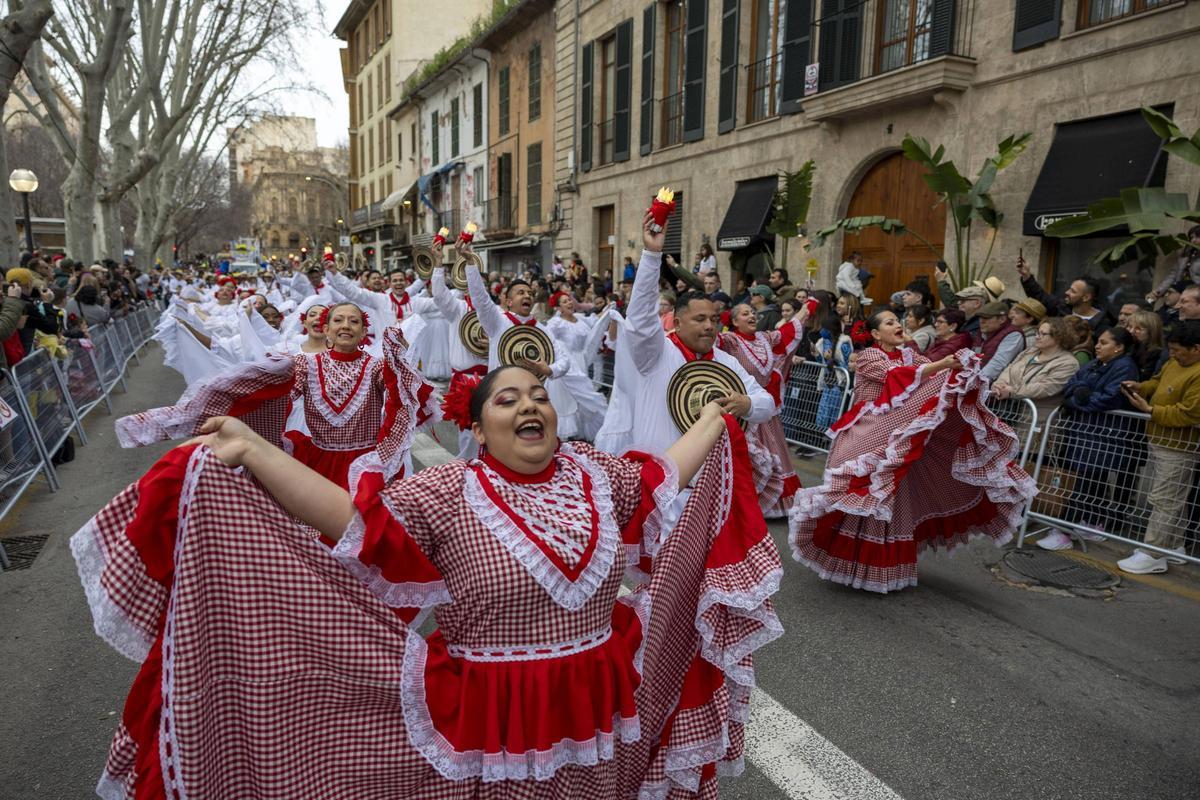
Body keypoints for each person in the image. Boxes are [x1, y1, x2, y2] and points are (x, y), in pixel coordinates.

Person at [72, 364, 782, 798]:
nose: (530, 406)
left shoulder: (600, 475)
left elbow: (668, 473)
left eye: (539, 395)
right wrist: (253, 449)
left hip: (595, 697)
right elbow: (355, 520)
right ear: (478, 427)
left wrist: (718, 414)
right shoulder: (447, 493)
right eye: (508, 401)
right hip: (491, 715)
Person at [789, 310, 1035, 593]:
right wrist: (942, 363)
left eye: (898, 321)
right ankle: (850, 561)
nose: (898, 325)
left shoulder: (910, 355)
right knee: (864, 493)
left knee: (893, 496)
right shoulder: (870, 356)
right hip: (866, 432)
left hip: (896, 435)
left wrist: (959, 373)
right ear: (875, 334)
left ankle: (876, 568)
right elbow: (898, 377)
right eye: (890, 322)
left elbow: (934, 376)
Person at [117, 302, 437, 490]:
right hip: (317, 464)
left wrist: (396, 356)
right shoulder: (302, 364)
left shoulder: (378, 367)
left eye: (354, 321)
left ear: (362, 331)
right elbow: (259, 391)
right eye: (338, 320)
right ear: (325, 329)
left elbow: (402, 397)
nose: (346, 326)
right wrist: (184, 416)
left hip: (364, 467)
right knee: (317, 542)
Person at [594, 211, 776, 458]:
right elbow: (640, 320)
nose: (710, 326)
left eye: (713, 319)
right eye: (700, 319)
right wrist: (651, 255)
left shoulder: (725, 362)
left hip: (707, 482)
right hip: (658, 479)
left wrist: (748, 404)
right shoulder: (656, 354)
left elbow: (767, 403)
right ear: (677, 323)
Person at [1038, 327, 1140, 551]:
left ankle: (1066, 531)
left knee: (1086, 483)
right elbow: (1071, 385)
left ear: (1119, 347)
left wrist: (1080, 398)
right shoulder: (1095, 364)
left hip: (1103, 436)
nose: (1097, 345)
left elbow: (1108, 400)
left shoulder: (1125, 368)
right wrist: (1080, 393)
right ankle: (1088, 523)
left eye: (1104, 342)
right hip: (1084, 433)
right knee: (1087, 482)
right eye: (1098, 341)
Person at [1117, 321, 1200, 573]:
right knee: (1174, 496)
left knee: (1165, 499)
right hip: (1160, 439)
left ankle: (1153, 553)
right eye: (1171, 349)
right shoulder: (1175, 363)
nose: (1172, 355)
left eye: (1178, 350)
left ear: (1196, 348)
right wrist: (1140, 387)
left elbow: (1190, 413)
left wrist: (1151, 410)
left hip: (1180, 446)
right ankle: (1174, 546)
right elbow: (1157, 381)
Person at [717, 302, 810, 517]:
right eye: (745, 313)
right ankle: (740, 503)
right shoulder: (730, 340)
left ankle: (776, 503)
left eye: (752, 312)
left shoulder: (766, 338)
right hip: (741, 410)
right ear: (734, 321)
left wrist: (808, 307)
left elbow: (788, 331)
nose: (751, 316)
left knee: (775, 453)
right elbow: (708, 342)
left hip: (765, 408)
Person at [992, 317, 1081, 423]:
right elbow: (1009, 369)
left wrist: (1012, 391)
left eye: (1043, 334)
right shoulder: (1030, 351)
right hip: (1010, 413)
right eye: (1037, 333)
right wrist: (999, 385)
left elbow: (1045, 388)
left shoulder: (1068, 363)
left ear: (1058, 337)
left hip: (1036, 421)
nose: (1037, 337)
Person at [1016, 256, 1111, 335]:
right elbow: (1040, 296)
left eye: (1073, 291)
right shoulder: (1061, 308)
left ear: (1086, 297)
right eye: (1069, 289)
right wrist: (1026, 275)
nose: (1067, 292)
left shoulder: (1101, 324)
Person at [976, 301, 1026, 382]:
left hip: (997, 387)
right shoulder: (983, 332)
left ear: (1002, 319)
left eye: (986, 317)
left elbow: (998, 363)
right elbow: (975, 357)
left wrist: (976, 382)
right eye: (980, 317)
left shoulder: (1013, 334)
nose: (981, 321)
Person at [1148, 225, 1200, 300]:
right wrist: (1158, 291)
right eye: (1191, 237)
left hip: (1195, 293)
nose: (1193, 240)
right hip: (1179, 289)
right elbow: (1172, 276)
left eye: (1197, 237)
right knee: (1154, 301)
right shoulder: (1185, 256)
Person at [1128, 310, 1165, 381]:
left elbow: (1144, 379)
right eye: (1130, 327)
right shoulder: (1132, 346)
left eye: (1138, 328)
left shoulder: (1156, 354)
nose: (1131, 331)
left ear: (1152, 332)